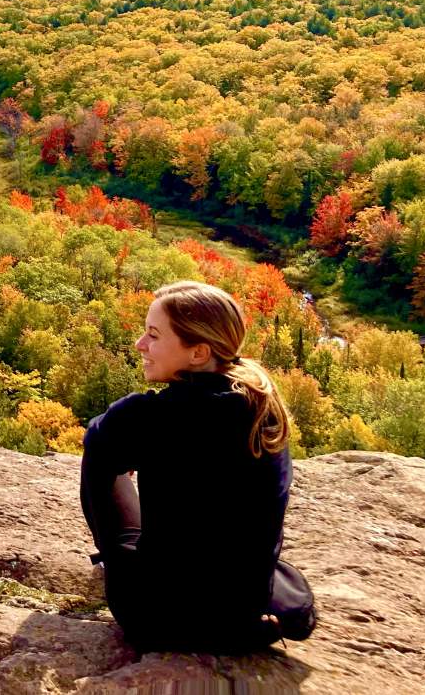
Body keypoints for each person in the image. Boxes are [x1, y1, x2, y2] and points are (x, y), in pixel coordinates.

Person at [80, 279, 294, 654]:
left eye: (153, 335)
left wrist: (131, 447)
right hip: (240, 614)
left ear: (197, 353)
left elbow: (97, 440)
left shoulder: (153, 416)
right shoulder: (263, 404)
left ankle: (117, 562)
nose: (140, 345)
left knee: (101, 457)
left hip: (160, 619)